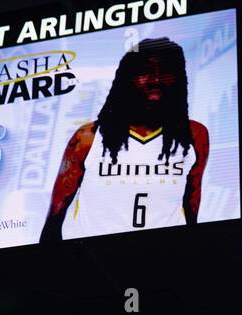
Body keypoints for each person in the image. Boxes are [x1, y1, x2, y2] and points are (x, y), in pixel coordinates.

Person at [40, 38, 209, 242]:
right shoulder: (88, 138)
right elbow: (56, 215)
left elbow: (191, 205)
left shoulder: (194, 135)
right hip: (93, 259)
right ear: (127, 79)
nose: (155, 80)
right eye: (145, 71)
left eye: (165, 71)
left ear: (179, 78)